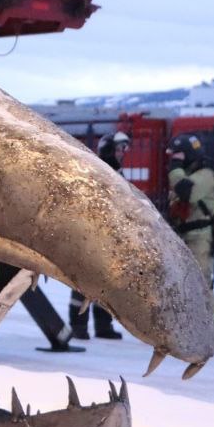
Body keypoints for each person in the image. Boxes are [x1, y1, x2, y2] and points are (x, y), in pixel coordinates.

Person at [69, 131, 130, 341]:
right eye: (120, 149)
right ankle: (78, 325)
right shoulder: (95, 171)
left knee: (107, 285)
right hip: (89, 236)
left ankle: (103, 326)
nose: (123, 153)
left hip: (109, 238)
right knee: (83, 285)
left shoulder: (116, 173)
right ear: (110, 150)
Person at [167, 133, 214, 348]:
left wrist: (175, 168)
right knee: (182, 284)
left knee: (201, 285)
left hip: (200, 237)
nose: (175, 160)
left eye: (179, 156)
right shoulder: (190, 174)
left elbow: (185, 191)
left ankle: (212, 331)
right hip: (184, 236)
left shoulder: (206, 175)